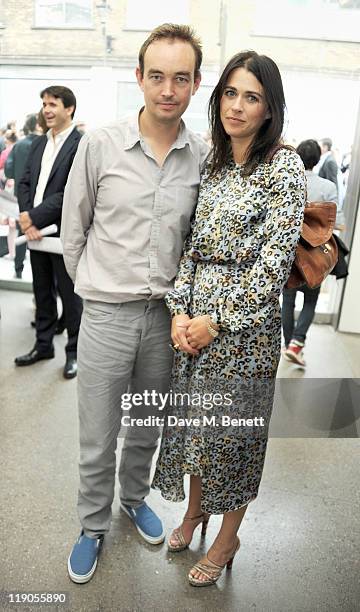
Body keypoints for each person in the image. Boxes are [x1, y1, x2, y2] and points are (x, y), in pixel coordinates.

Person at [151, 50, 306, 587]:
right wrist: (181, 313)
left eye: (252, 97)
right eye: (231, 94)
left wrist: (215, 320)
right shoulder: (213, 163)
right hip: (194, 330)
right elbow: (192, 248)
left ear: (269, 109)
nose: (237, 107)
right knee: (198, 432)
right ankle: (195, 513)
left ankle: (226, 536)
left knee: (233, 440)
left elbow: (272, 266)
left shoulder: (284, 166)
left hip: (245, 335)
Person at [61, 23, 208, 584]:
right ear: (139, 78)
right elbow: (74, 233)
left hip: (166, 321)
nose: (167, 89)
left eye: (179, 78)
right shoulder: (100, 144)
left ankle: (133, 498)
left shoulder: (203, 155)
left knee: (146, 425)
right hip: (107, 314)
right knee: (97, 432)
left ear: (195, 84)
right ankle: (92, 525)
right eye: (156, 77)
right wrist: (97, 291)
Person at [15, 85, 82, 379]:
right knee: (41, 291)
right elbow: (24, 181)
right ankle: (43, 345)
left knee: (69, 296)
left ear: (69, 109)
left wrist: (33, 217)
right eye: (44, 104)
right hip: (36, 231)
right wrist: (28, 218)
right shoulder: (40, 143)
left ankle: (74, 353)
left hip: (61, 231)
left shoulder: (80, 144)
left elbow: (70, 191)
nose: (47, 110)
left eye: (53, 104)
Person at [282, 139, 338, 366]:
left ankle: (288, 345)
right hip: (315, 253)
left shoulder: (289, 181)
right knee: (310, 300)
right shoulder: (328, 187)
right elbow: (335, 220)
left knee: (287, 299)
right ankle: (297, 343)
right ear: (317, 159)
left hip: (289, 251)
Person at [4, 114, 40, 279]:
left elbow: (8, 171)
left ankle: (18, 269)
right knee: (41, 234)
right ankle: (41, 275)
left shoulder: (19, 145)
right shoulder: (45, 144)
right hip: (42, 197)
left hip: (21, 197)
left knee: (21, 231)